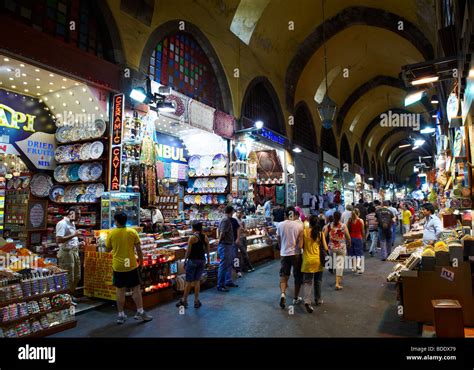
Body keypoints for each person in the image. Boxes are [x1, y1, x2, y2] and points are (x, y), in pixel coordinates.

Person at [105, 212, 152, 324]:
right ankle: (140, 311)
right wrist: (141, 262)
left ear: (116, 221)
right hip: (130, 264)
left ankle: (121, 315)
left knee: (120, 290)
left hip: (118, 266)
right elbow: (139, 250)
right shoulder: (132, 232)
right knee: (136, 289)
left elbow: (107, 250)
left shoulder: (111, 233)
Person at [176, 222, 210, 309]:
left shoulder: (192, 238)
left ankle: (185, 300)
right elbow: (207, 250)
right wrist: (208, 261)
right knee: (197, 281)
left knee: (188, 282)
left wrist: (185, 260)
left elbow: (188, 251)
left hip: (192, 261)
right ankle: (196, 301)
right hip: (202, 261)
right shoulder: (205, 237)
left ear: (194, 228)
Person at [277, 206, 304, 309]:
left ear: (285, 214)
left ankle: (283, 294)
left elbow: (279, 240)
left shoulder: (280, 225)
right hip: (296, 254)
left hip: (284, 253)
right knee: (297, 276)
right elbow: (300, 245)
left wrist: (282, 248)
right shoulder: (299, 226)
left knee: (284, 275)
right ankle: (296, 297)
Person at [55, 207, 84, 304]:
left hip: (74, 251)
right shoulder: (62, 224)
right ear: (71, 213)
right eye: (78, 214)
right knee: (68, 277)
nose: (79, 216)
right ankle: (66, 299)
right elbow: (59, 239)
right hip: (66, 253)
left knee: (77, 276)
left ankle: (70, 296)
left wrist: (79, 243)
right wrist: (74, 235)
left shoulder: (72, 223)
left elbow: (70, 240)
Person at [301, 215, 328, 313]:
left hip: (307, 260)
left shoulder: (304, 232)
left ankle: (307, 301)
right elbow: (325, 247)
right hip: (318, 260)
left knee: (308, 281)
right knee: (318, 280)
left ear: (309, 223)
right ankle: (318, 300)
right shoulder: (320, 234)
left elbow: (301, 246)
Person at [325, 211, 351, 290]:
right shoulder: (343, 225)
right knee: (340, 265)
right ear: (340, 217)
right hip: (341, 248)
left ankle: (338, 278)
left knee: (336, 264)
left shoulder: (329, 225)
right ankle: (337, 283)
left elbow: (324, 235)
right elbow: (348, 237)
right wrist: (349, 243)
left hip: (332, 248)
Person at [217, 206, 238, 292]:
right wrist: (219, 242)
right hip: (225, 245)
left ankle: (228, 280)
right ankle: (220, 285)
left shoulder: (227, 220)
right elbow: (222, 233)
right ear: (231, 211)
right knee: (223, 265)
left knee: (229, 264)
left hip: (228, 245)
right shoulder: (225, 220)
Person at [234, 209, 254, 273]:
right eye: (238, 213)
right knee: (244, 253)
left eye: (241, 213)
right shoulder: (235, 220)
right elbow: (240, 229)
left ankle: (243, 267)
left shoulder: (241, 220)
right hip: (238, 238)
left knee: (244, 253)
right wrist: (244, 230)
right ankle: (250, 266)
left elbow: (243, 227)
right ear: (236, 213)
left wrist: (245, 229)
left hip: (243, 237)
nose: (240, 214)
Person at [347, 209, 364, 273]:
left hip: (351, 238)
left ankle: (353, 268)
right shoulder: (361, 220)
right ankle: (357, 264)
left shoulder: (350, 220)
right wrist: (363, 237)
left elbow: (347, 229)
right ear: (358, 213)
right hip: (358, 238)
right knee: (359, 252)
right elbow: (362, 230)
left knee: (352, 253)